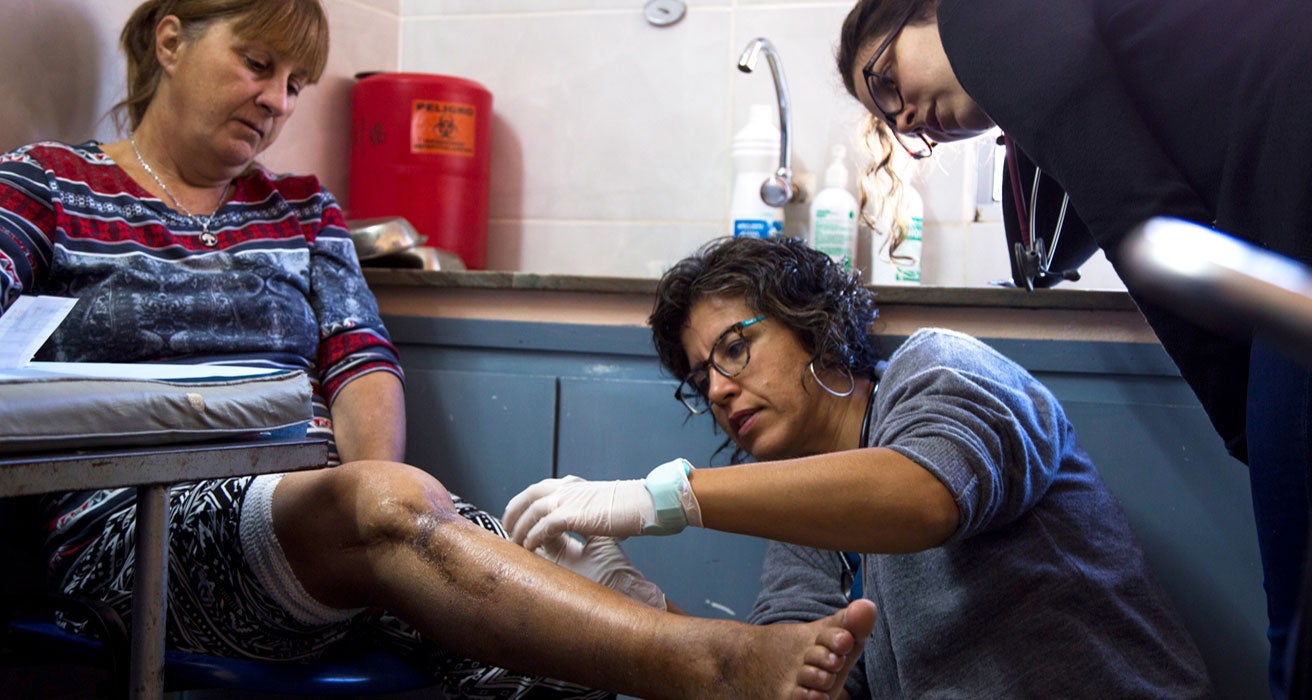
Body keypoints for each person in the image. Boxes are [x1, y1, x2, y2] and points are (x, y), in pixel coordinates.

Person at [0, 2, 880, 698]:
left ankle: (743, 678)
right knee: (409, 516)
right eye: (258, 65)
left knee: (564, 600)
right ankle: (728, 668)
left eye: (297, 82)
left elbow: (358, 361)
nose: (278, 100)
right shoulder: (42, 186)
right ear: (168, 41)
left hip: (312, 522)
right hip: (133, 533)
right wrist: (375, 510)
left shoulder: (300, 209)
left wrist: (368, 512)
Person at [833, 0, 1312, 697]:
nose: (907, 121)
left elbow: (1148, 225)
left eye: (886, 82)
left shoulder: (979, 19)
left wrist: (1250, 423)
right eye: (891, 124)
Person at [505, 235, 1213, 698]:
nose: (717, 388)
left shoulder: (942, 369)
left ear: (811, 322)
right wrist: (637, 602)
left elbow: (924, 496)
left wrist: (665, 497)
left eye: (735, 348)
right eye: (701, 378)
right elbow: (786, 679)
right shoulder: (803, 522)